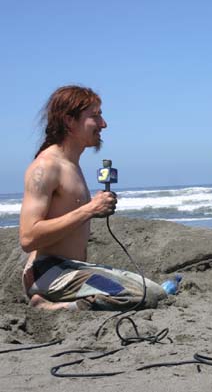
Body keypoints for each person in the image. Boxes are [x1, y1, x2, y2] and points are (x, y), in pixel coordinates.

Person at [19, 85, 167, 311]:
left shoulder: (71, 164)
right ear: (69, 121)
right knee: (139, 296)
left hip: (74, 269)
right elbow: (28, 238)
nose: (103, 124)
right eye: (95, 116)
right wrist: (89, 210)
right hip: (49, 271)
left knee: (157, 291)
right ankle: (49, 307)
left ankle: (63, 299)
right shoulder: (45, 167)